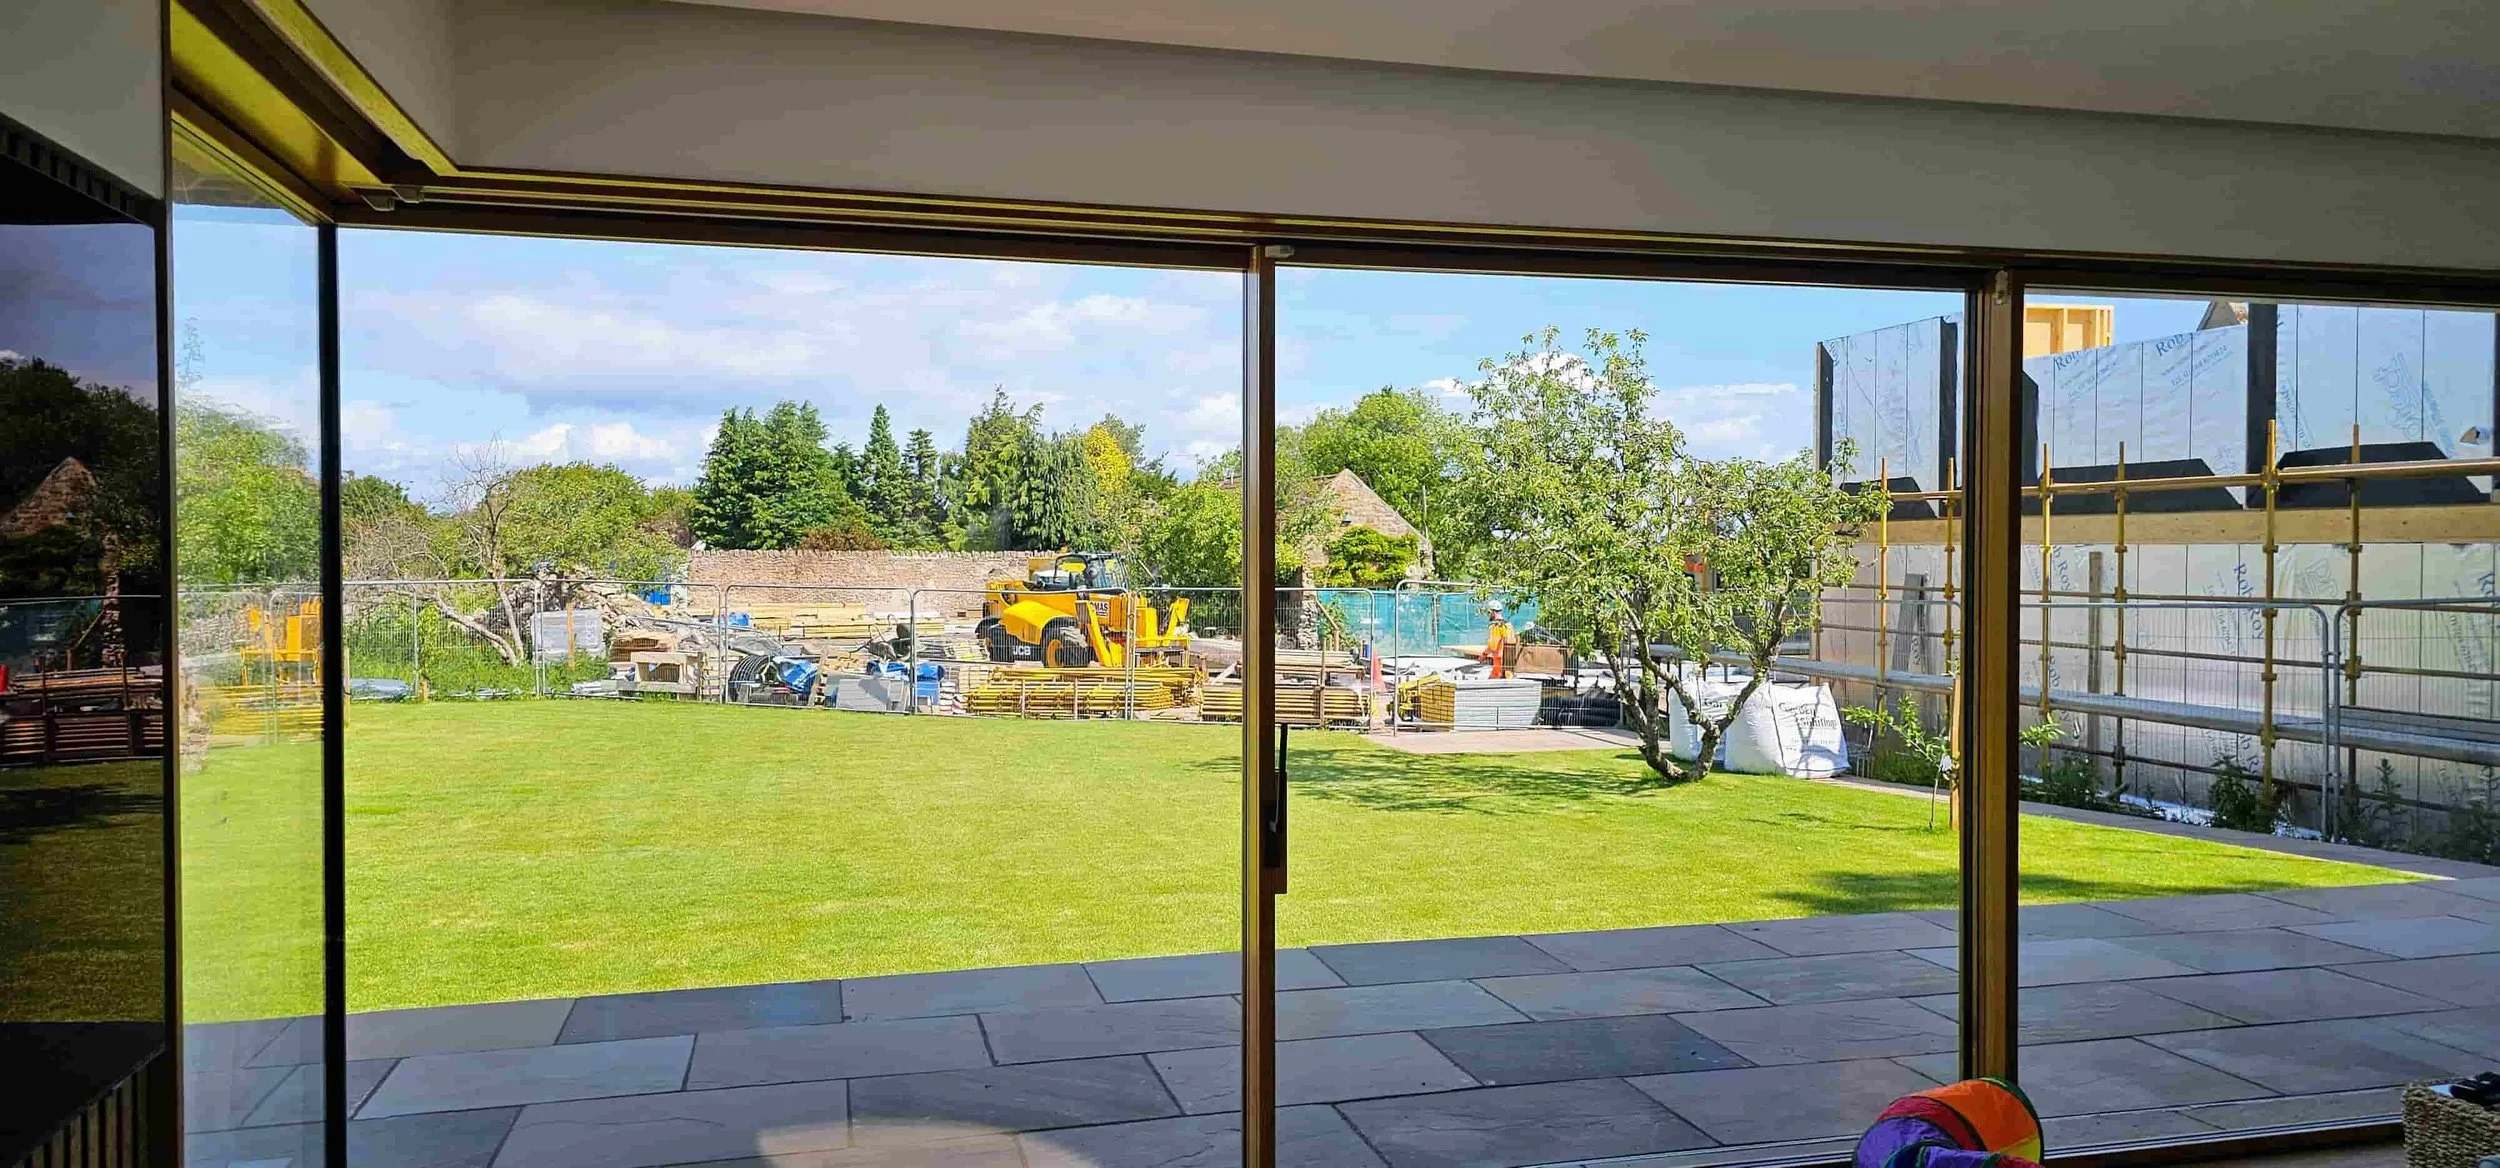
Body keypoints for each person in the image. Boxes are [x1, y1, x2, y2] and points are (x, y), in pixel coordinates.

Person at [1481, 602, 1513, 679]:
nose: (1488, 615)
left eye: (1489, 613)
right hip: (1509, 662)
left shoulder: (1495, 626)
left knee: (1491, 682)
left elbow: (1492, 646)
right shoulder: (1508, 625)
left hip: (1499, 662)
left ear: (1493, 612)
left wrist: (1483, 655)